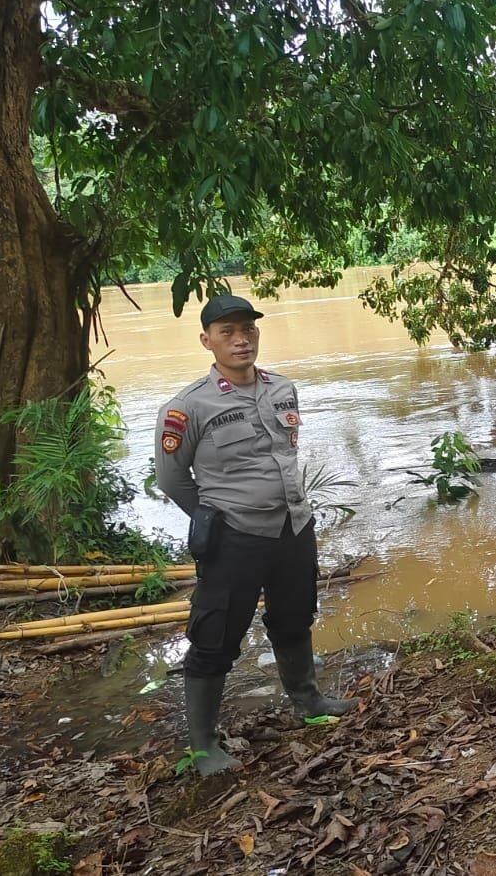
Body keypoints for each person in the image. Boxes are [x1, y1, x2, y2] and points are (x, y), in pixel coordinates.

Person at [155, 294, 352, 776]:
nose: (241, 339)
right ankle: (204, 746)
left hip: (293, 527)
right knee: (215, 636)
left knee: (293, 617)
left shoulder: (282, 389)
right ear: (207, 341)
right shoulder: (186, 407)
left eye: (248, 329)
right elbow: (172, 478)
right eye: (228, 332)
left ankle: (308, 700)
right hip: (234, 536)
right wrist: (209, 517)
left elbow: (286, 454)